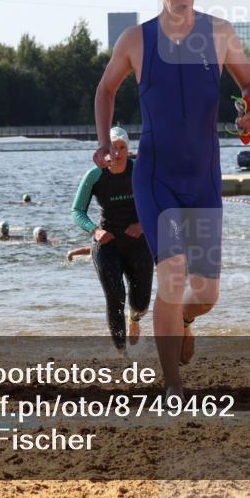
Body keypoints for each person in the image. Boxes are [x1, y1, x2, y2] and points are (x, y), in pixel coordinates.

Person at [92, 0, 250, 397]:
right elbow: (105, 89)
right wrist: (103, 140)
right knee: (171, 273)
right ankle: (173, 383)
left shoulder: (220, 34)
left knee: (205, 294)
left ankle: (186, 320)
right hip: (156, 178)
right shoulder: (135, 40)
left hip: (203, 178)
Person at [72, 127, 154, 353]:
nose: (116, 153)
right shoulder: (95, 175)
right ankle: (121, 353)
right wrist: (94, 231)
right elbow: (77, 211)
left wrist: (143, 225)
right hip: (107, 242)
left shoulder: (140, 171)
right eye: (112, 148)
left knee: (141, 303)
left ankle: (135, 319)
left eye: (122, 148)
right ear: (104, 150)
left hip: (137, 240)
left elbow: (160, 203)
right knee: (115, 295)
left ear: (128, 150)